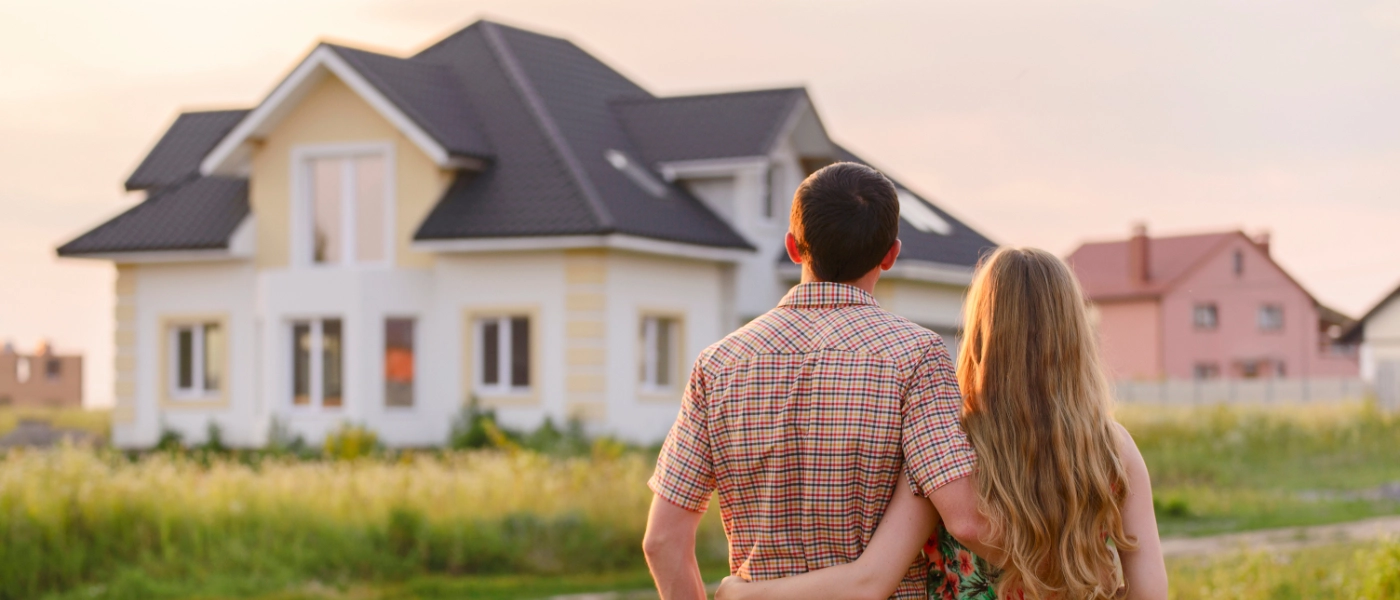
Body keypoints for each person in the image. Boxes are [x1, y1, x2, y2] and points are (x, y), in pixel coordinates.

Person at [715, 247, 1169, 600]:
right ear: (1073, 336)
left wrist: (744, 594)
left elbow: (869, 581)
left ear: (981, 334)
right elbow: (1151, 592)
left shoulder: (946, 443)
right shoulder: (1114, 449)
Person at [643, 162, 997, 600]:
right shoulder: (916, 356)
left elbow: (663, 542)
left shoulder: (717, 366)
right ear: (891, 255)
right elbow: (966, 521)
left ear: (793, 247)